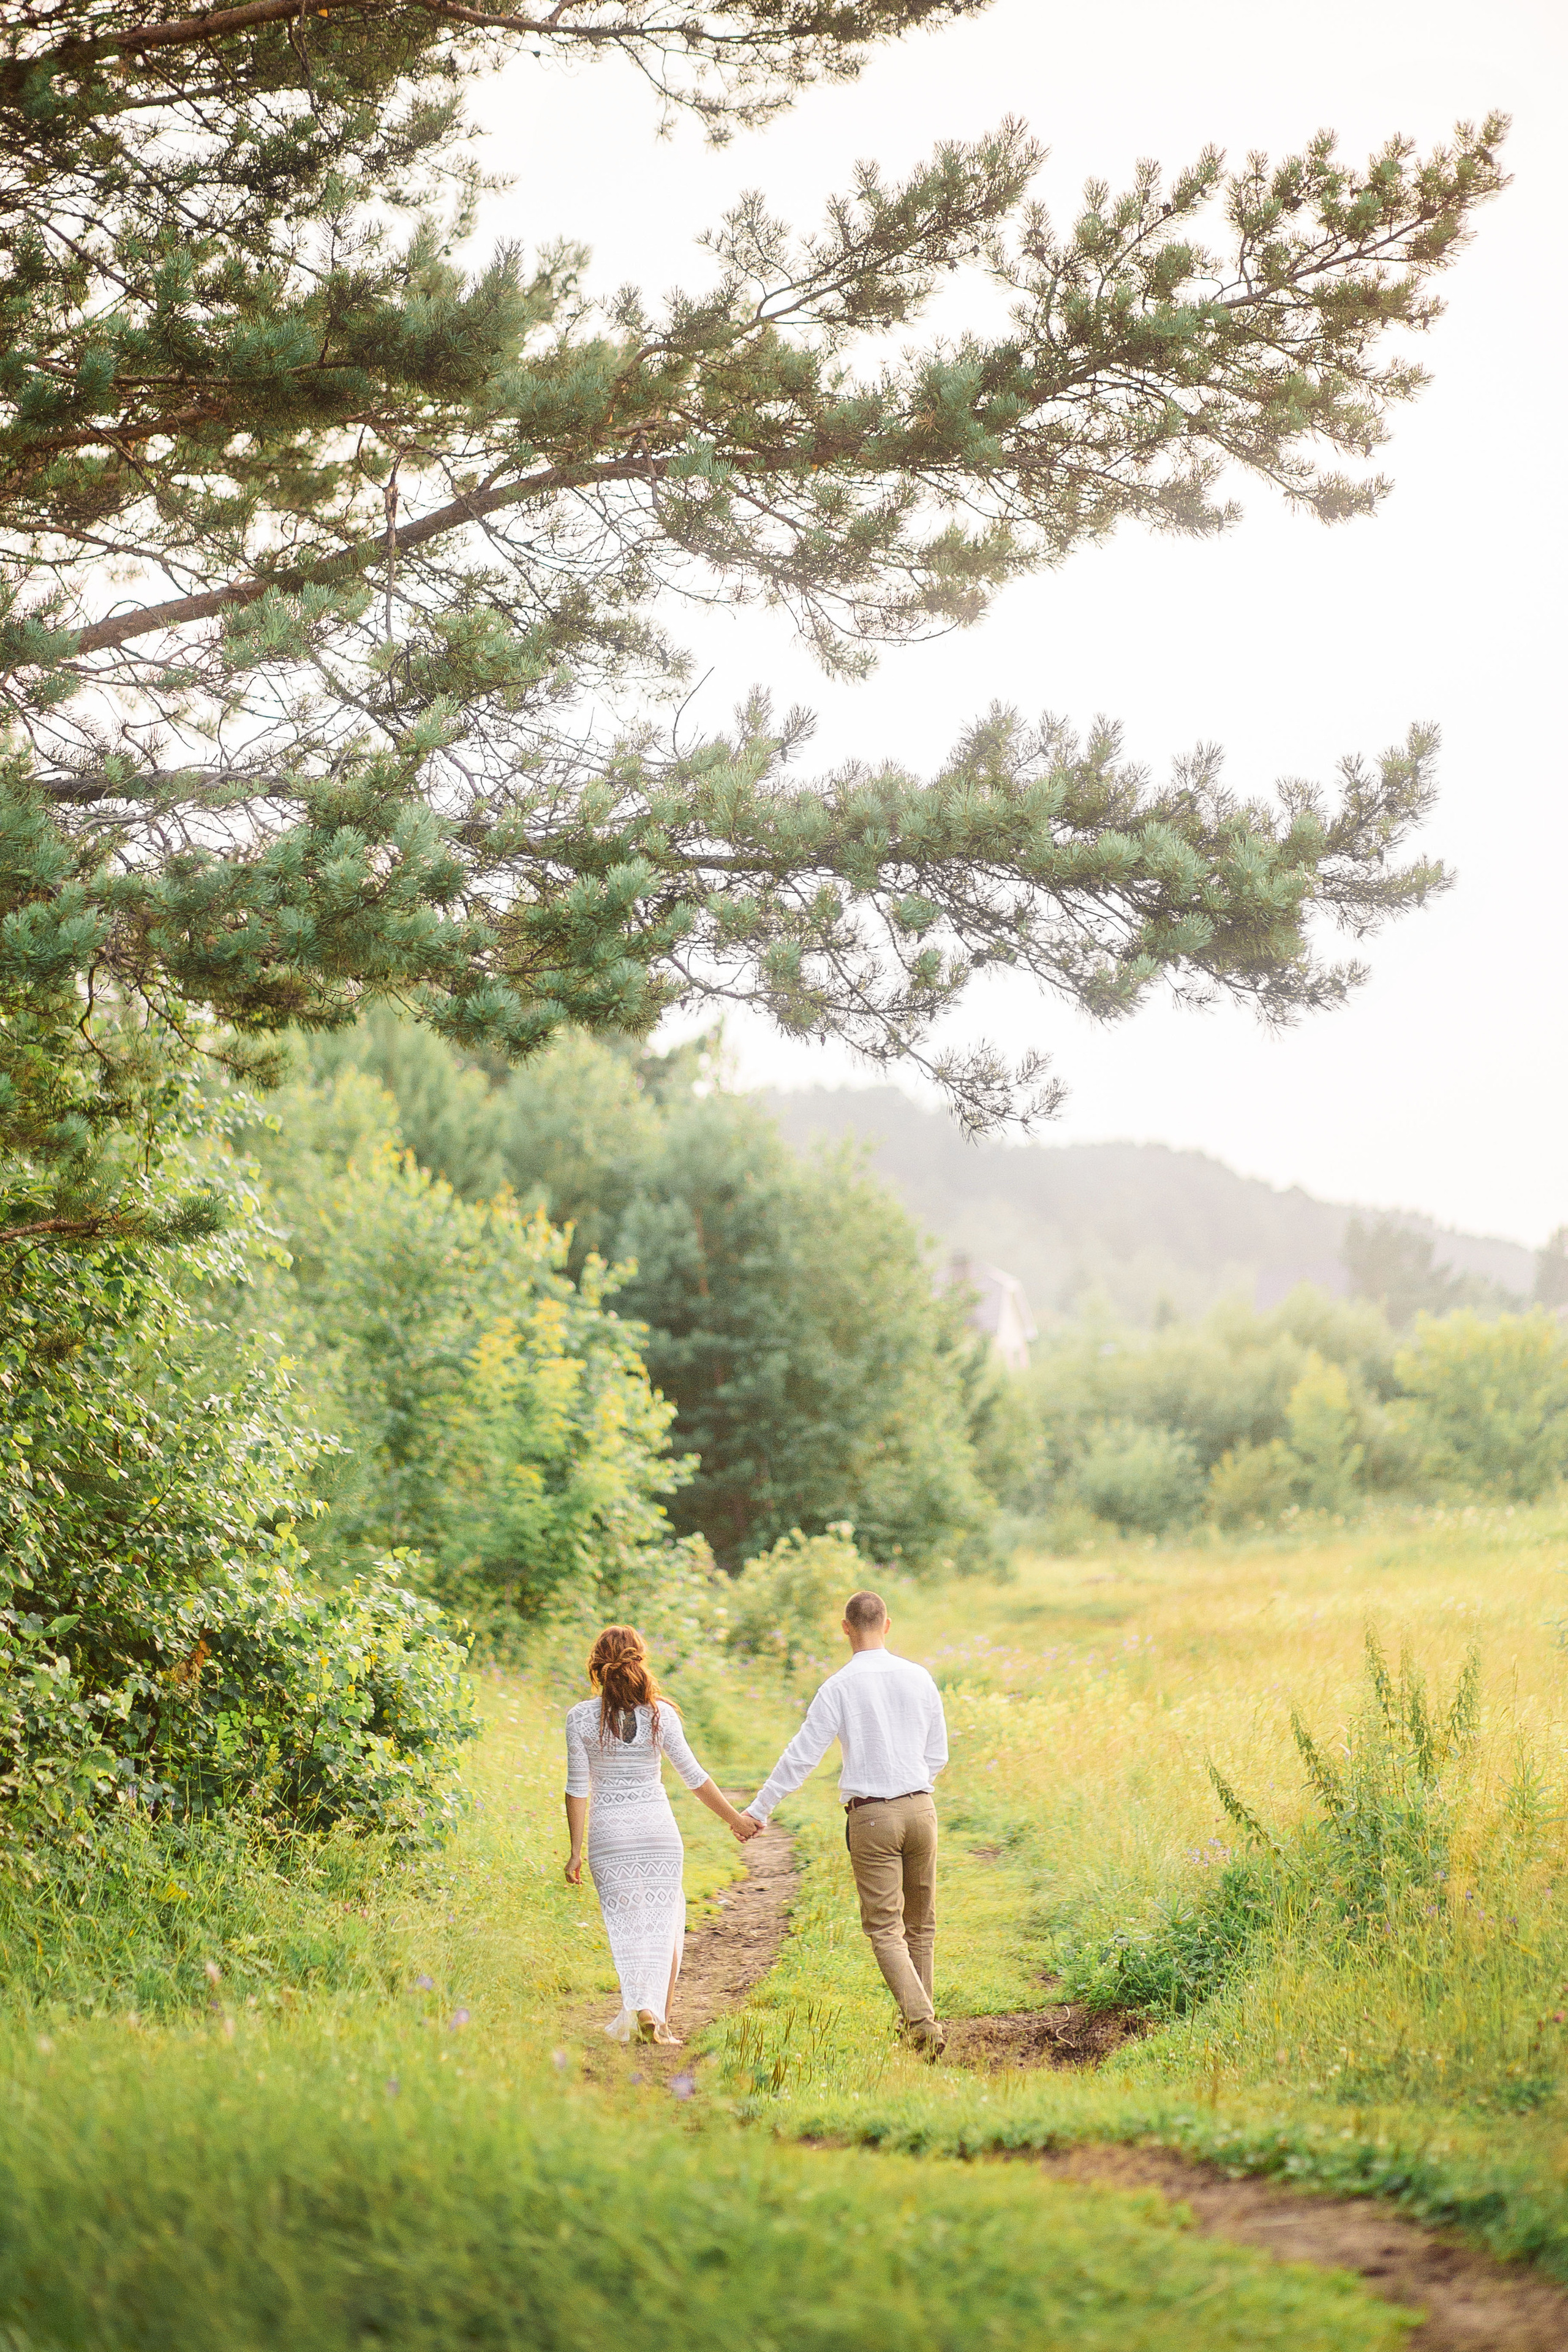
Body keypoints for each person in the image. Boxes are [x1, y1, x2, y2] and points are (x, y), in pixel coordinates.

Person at [742, 1589, 949, 2054]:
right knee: (921, 1927)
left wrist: (758, 1810)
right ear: (888, 1624)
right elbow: (938, 1753)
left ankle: (922, 2024)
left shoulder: (838, 1686)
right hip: (922, 1810)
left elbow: (802, 1756)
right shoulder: (920, 1678)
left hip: (873, 1817)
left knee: (884, 1928)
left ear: (845, 1628)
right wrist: (913, 1784)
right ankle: (919, 2024)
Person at [564, 1623, 755, 2045]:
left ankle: (644, 2007)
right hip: (657, 1831)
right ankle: (660, 2022)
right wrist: (735, 1819)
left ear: (596, 1666)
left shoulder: (579, 1718)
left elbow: (578, 1788)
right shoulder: (660, 1714)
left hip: (609, 1834)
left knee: (627, 1924)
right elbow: (694, 1777)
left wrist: (575, 1852)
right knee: (664, 1922)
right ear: (639, 1660)